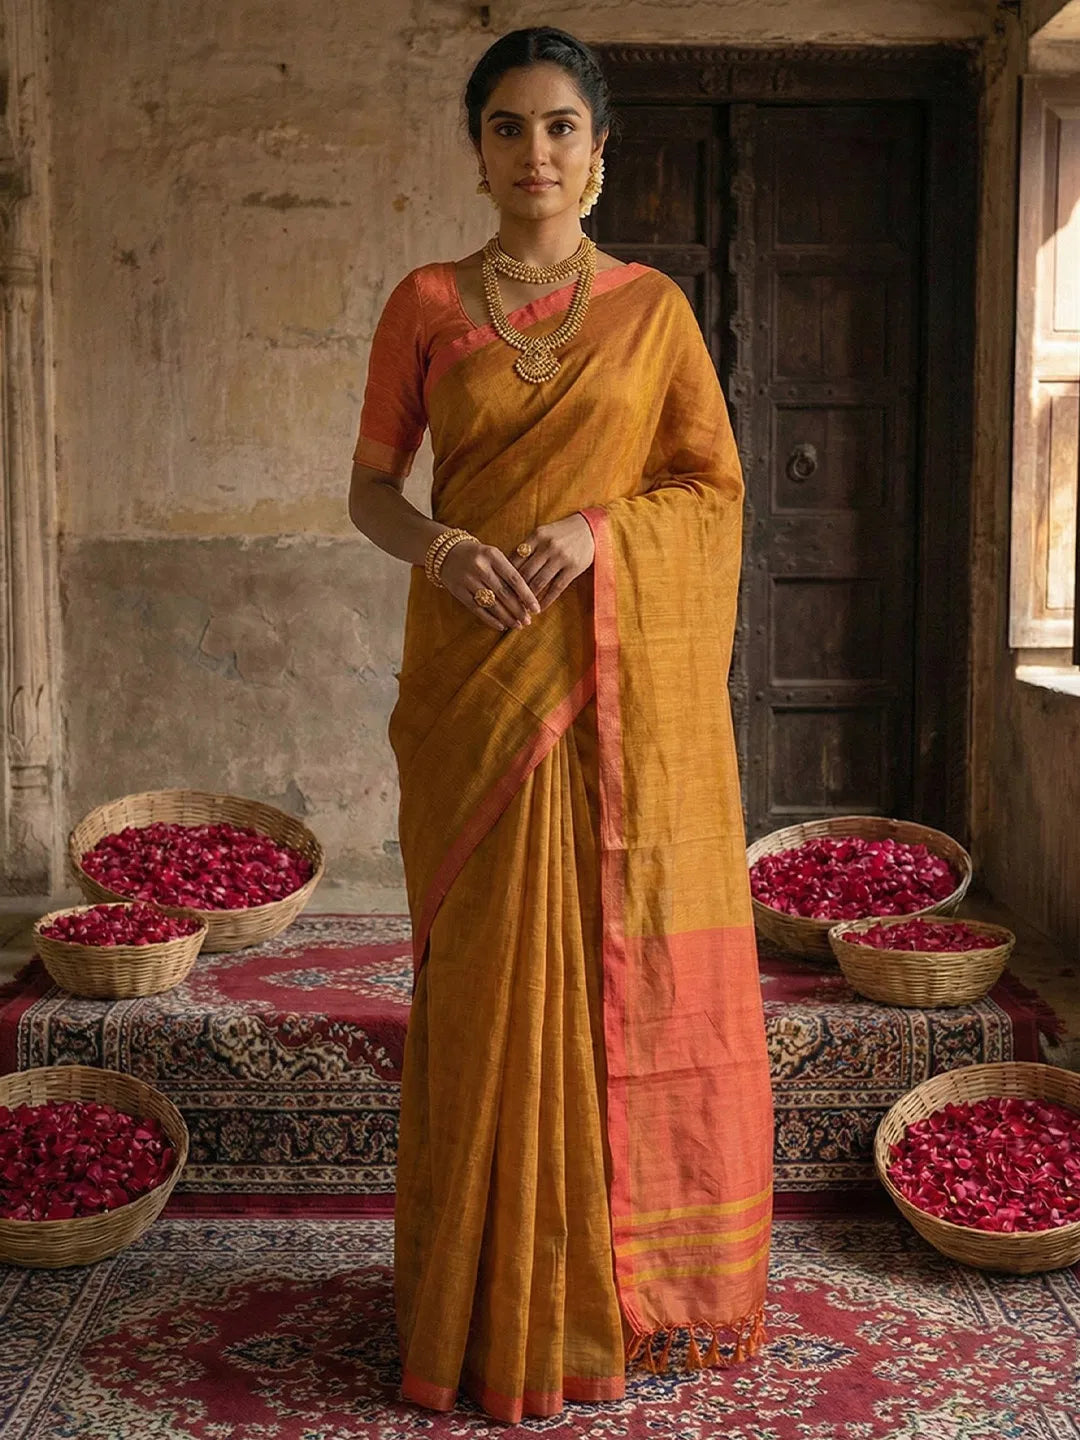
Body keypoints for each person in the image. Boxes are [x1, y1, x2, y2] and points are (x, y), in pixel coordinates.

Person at [347, 25, 774, 1426]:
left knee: (597, 981)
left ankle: (594, 1293)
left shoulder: (651, 314)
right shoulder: (423, 302)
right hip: (471, 689)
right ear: (475, 148)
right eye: (507, 127)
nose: (534, 152)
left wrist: (600, 532)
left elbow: (710, 495)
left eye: (559, 129)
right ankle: (470, 1298)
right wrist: (436, 549)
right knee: (482, 990)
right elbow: (369, 493)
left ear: (599, 153)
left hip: (599, 703)